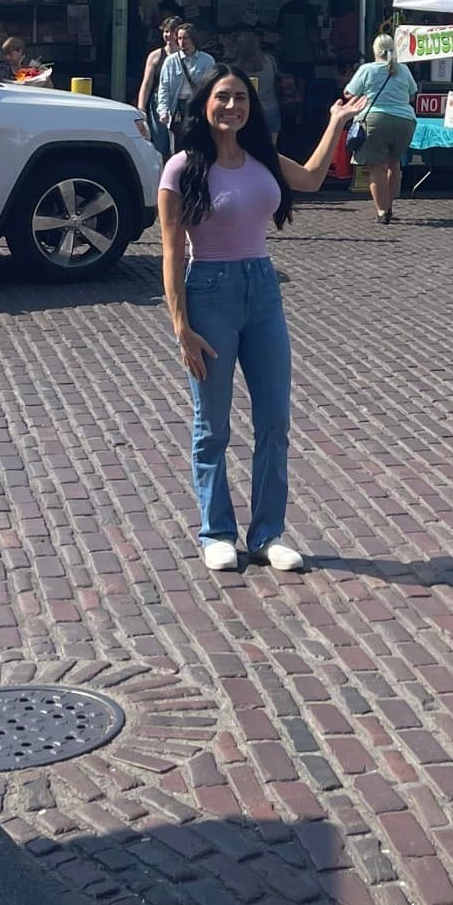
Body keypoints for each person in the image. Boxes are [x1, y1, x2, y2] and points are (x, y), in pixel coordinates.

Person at [158, 68, 363, 575]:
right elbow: (168, 254)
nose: (233, 107)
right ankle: (217, 533)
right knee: (213, 425)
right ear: (204, 103)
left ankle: (267, 533)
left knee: (274, 420)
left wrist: (335, 122)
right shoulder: (182, 168)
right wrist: (181, 326)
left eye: (241, 99)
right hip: (209, 292)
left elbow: (313, 178)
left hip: (264, 291)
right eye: (223, 97)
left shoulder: (262, 160)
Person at [344, 31, 417, 226]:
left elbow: (349, 93)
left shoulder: (367, 69)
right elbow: (412, 94)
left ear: (374, 51)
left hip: (375, 120)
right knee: (394, 165)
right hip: (405, 121)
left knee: (377, 168)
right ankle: (390, 206)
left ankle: (382, 211)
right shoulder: (404, 69)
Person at [155, 20, 218, 147]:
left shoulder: (207, 60)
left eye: (186, 38)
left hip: (197, 105)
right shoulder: (171, 61)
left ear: (193, 39)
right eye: (179, 38)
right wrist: (163, 110)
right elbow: (164, 87)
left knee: (198, 141)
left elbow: (212, 87)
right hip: (178, 106)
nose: (182, 42)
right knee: (178, 142)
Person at [137, 15, 181, 154]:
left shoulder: (186, 55)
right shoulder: (156, 55)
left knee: (179, 144)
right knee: (159, 144)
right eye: (165, 31)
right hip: (159, 102)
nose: (168, 35)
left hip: (180, 102)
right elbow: (147, 83)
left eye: (172, 32)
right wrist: (141, 109)